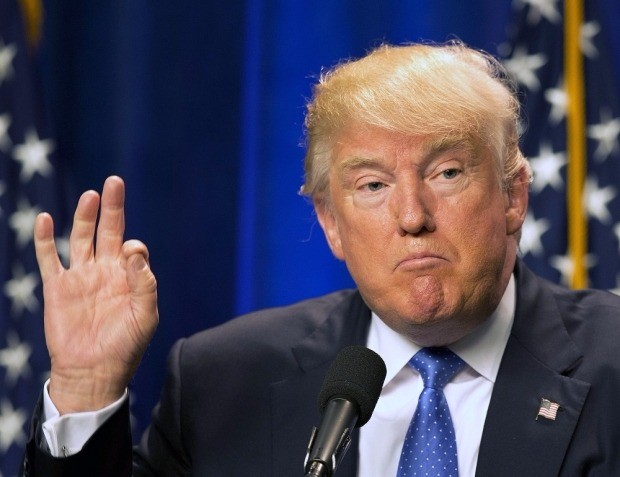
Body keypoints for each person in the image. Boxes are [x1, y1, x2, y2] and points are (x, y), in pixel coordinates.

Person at [21, 41, 620, 476]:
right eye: (372, 185)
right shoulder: (223, 382)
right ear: (331, 223)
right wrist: (86, 391)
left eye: (447, 172)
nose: (412, 216)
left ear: (514, 196)